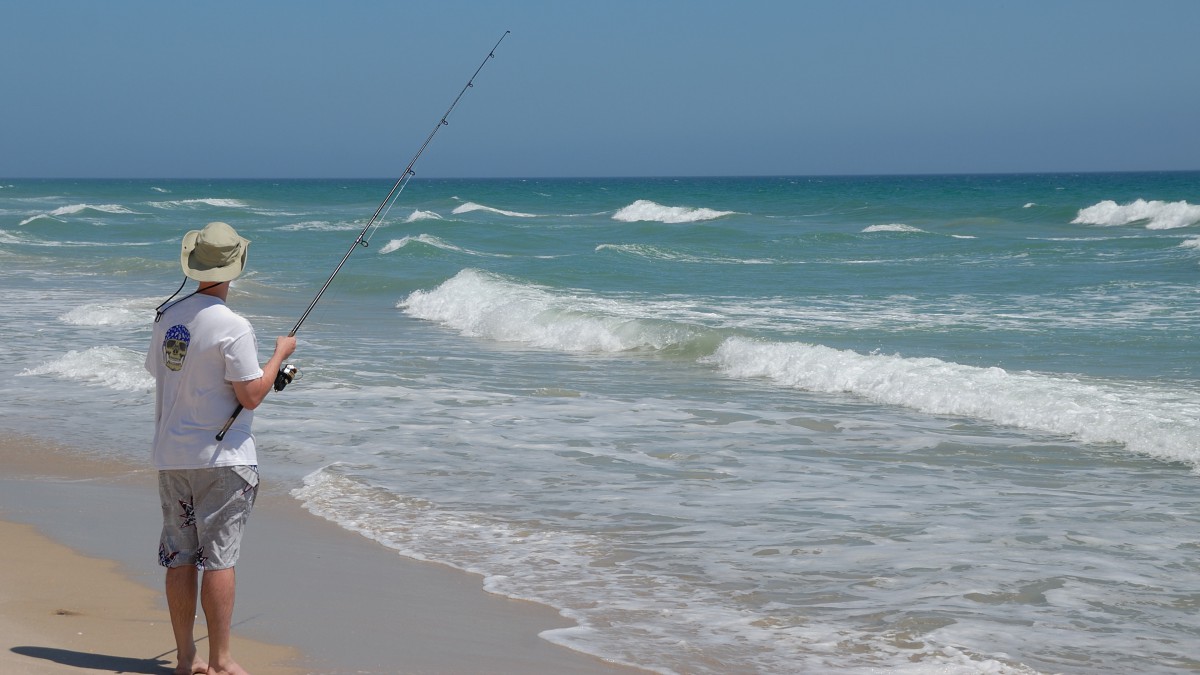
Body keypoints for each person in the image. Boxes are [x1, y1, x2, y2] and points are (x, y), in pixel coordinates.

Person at [146, 221, 296, 675]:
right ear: (236, 267)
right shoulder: (234, 326)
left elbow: (163, 373)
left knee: (180, 556)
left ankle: (186, 657)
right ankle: (221, 660)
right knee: (219, 560)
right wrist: (279, 356)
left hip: (173, 459)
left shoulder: (167, 317)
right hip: (223, 461)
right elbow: (251, 394)